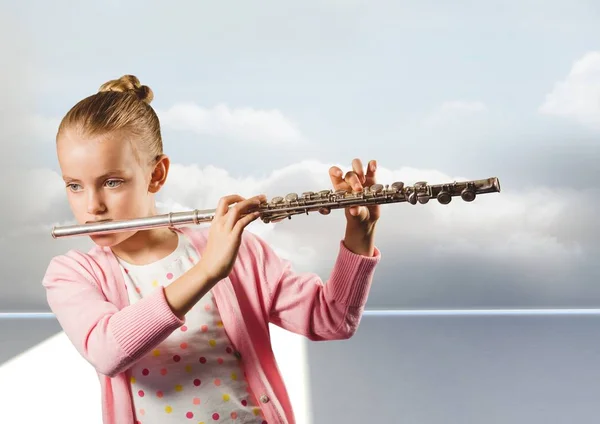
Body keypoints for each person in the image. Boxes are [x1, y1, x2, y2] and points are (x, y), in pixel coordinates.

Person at [42, 74, 382, 424]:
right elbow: (106, 350)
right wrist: (206, 271)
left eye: (112, 182)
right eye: (75, 186)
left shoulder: (233, 249)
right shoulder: (71, 275)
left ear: (157, 175)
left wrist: (360, 232)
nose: (93, 206)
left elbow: (332, 320)